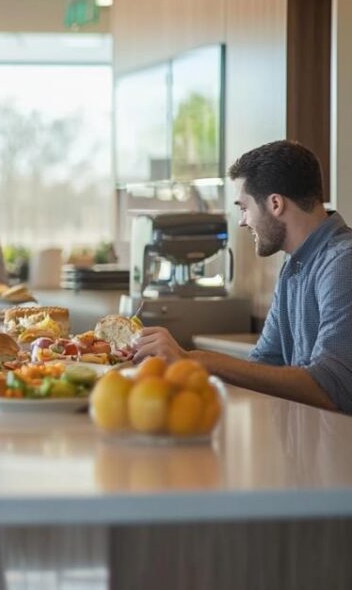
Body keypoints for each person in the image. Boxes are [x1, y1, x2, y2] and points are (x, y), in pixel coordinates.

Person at [135, 140, 352, 413]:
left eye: (244, 207)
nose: (242, 221)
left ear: (275, 203)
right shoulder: (294, 265)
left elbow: (333, 387)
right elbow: (263, 366)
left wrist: (193, 360)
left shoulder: (343, 262)